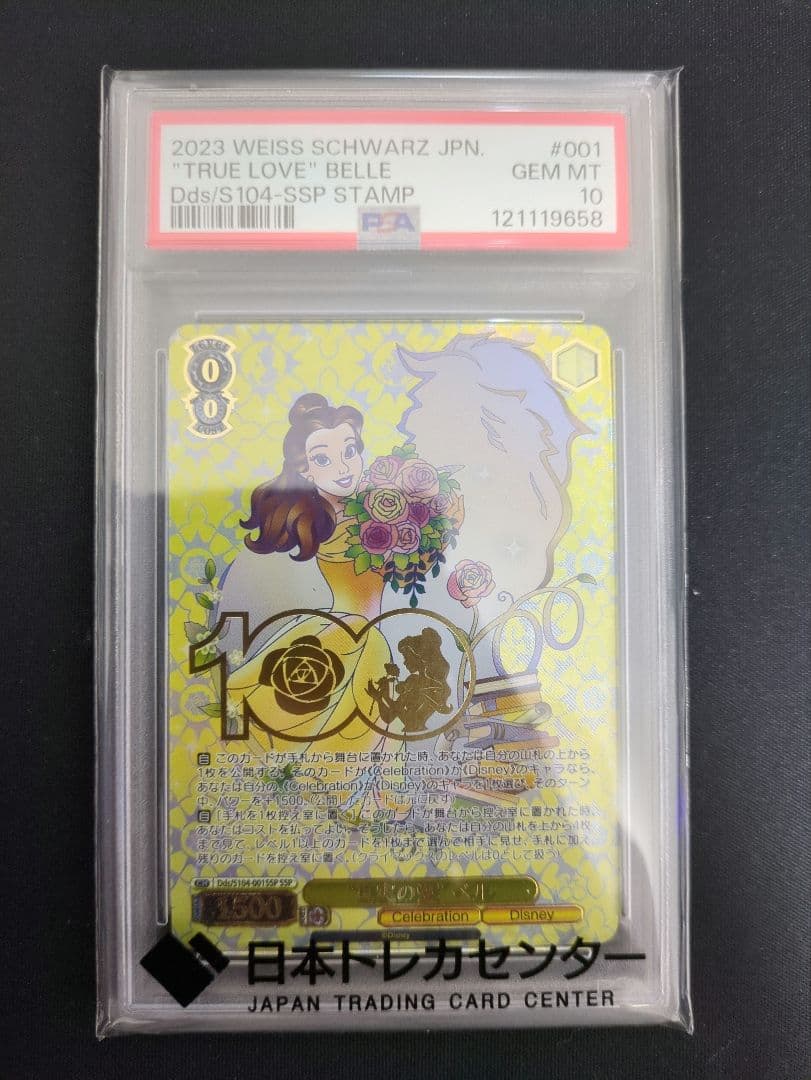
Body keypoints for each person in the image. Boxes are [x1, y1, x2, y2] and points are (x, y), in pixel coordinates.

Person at [227, 393, 390, 794]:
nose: (343, 467)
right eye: (323, 459)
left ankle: (341, 793)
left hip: (358, 630)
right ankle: (323, 789)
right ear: (305, 470)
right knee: (334, 715)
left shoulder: (370, 511)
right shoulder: (331, 522)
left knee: (365, 716)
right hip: (349, 631)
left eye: (349, 451)